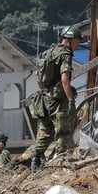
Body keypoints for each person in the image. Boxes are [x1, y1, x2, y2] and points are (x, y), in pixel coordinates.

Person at [30, 25, 81, 171]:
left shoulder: (48, 53)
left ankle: (36, 160)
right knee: (63, 132)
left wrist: (46, 91)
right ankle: (61, 164)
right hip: (59, 102)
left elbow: (37, 75)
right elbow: (65, 80)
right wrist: (71, 100)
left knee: (45, 130)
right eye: (76, 42)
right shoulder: (65, 54)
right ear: (67, 40)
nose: (77, 46)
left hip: (45, 99)